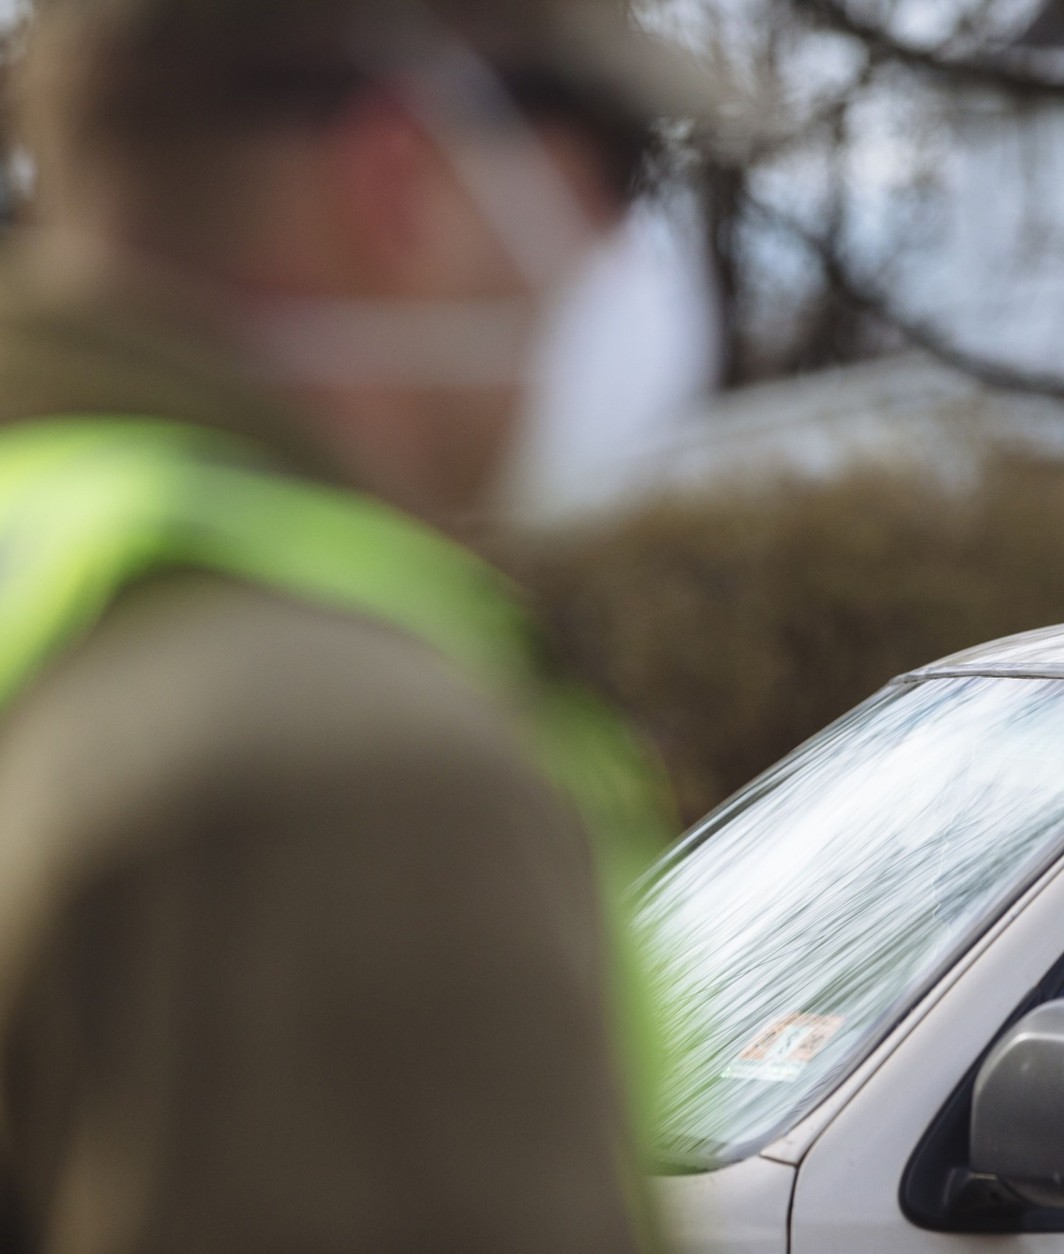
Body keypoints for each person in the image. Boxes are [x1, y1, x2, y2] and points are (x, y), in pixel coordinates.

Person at [0, 1, 697, 1246]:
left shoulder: (44, 549)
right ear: (406, 173)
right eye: (620, 155)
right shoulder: (340, 764)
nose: (620, 244)